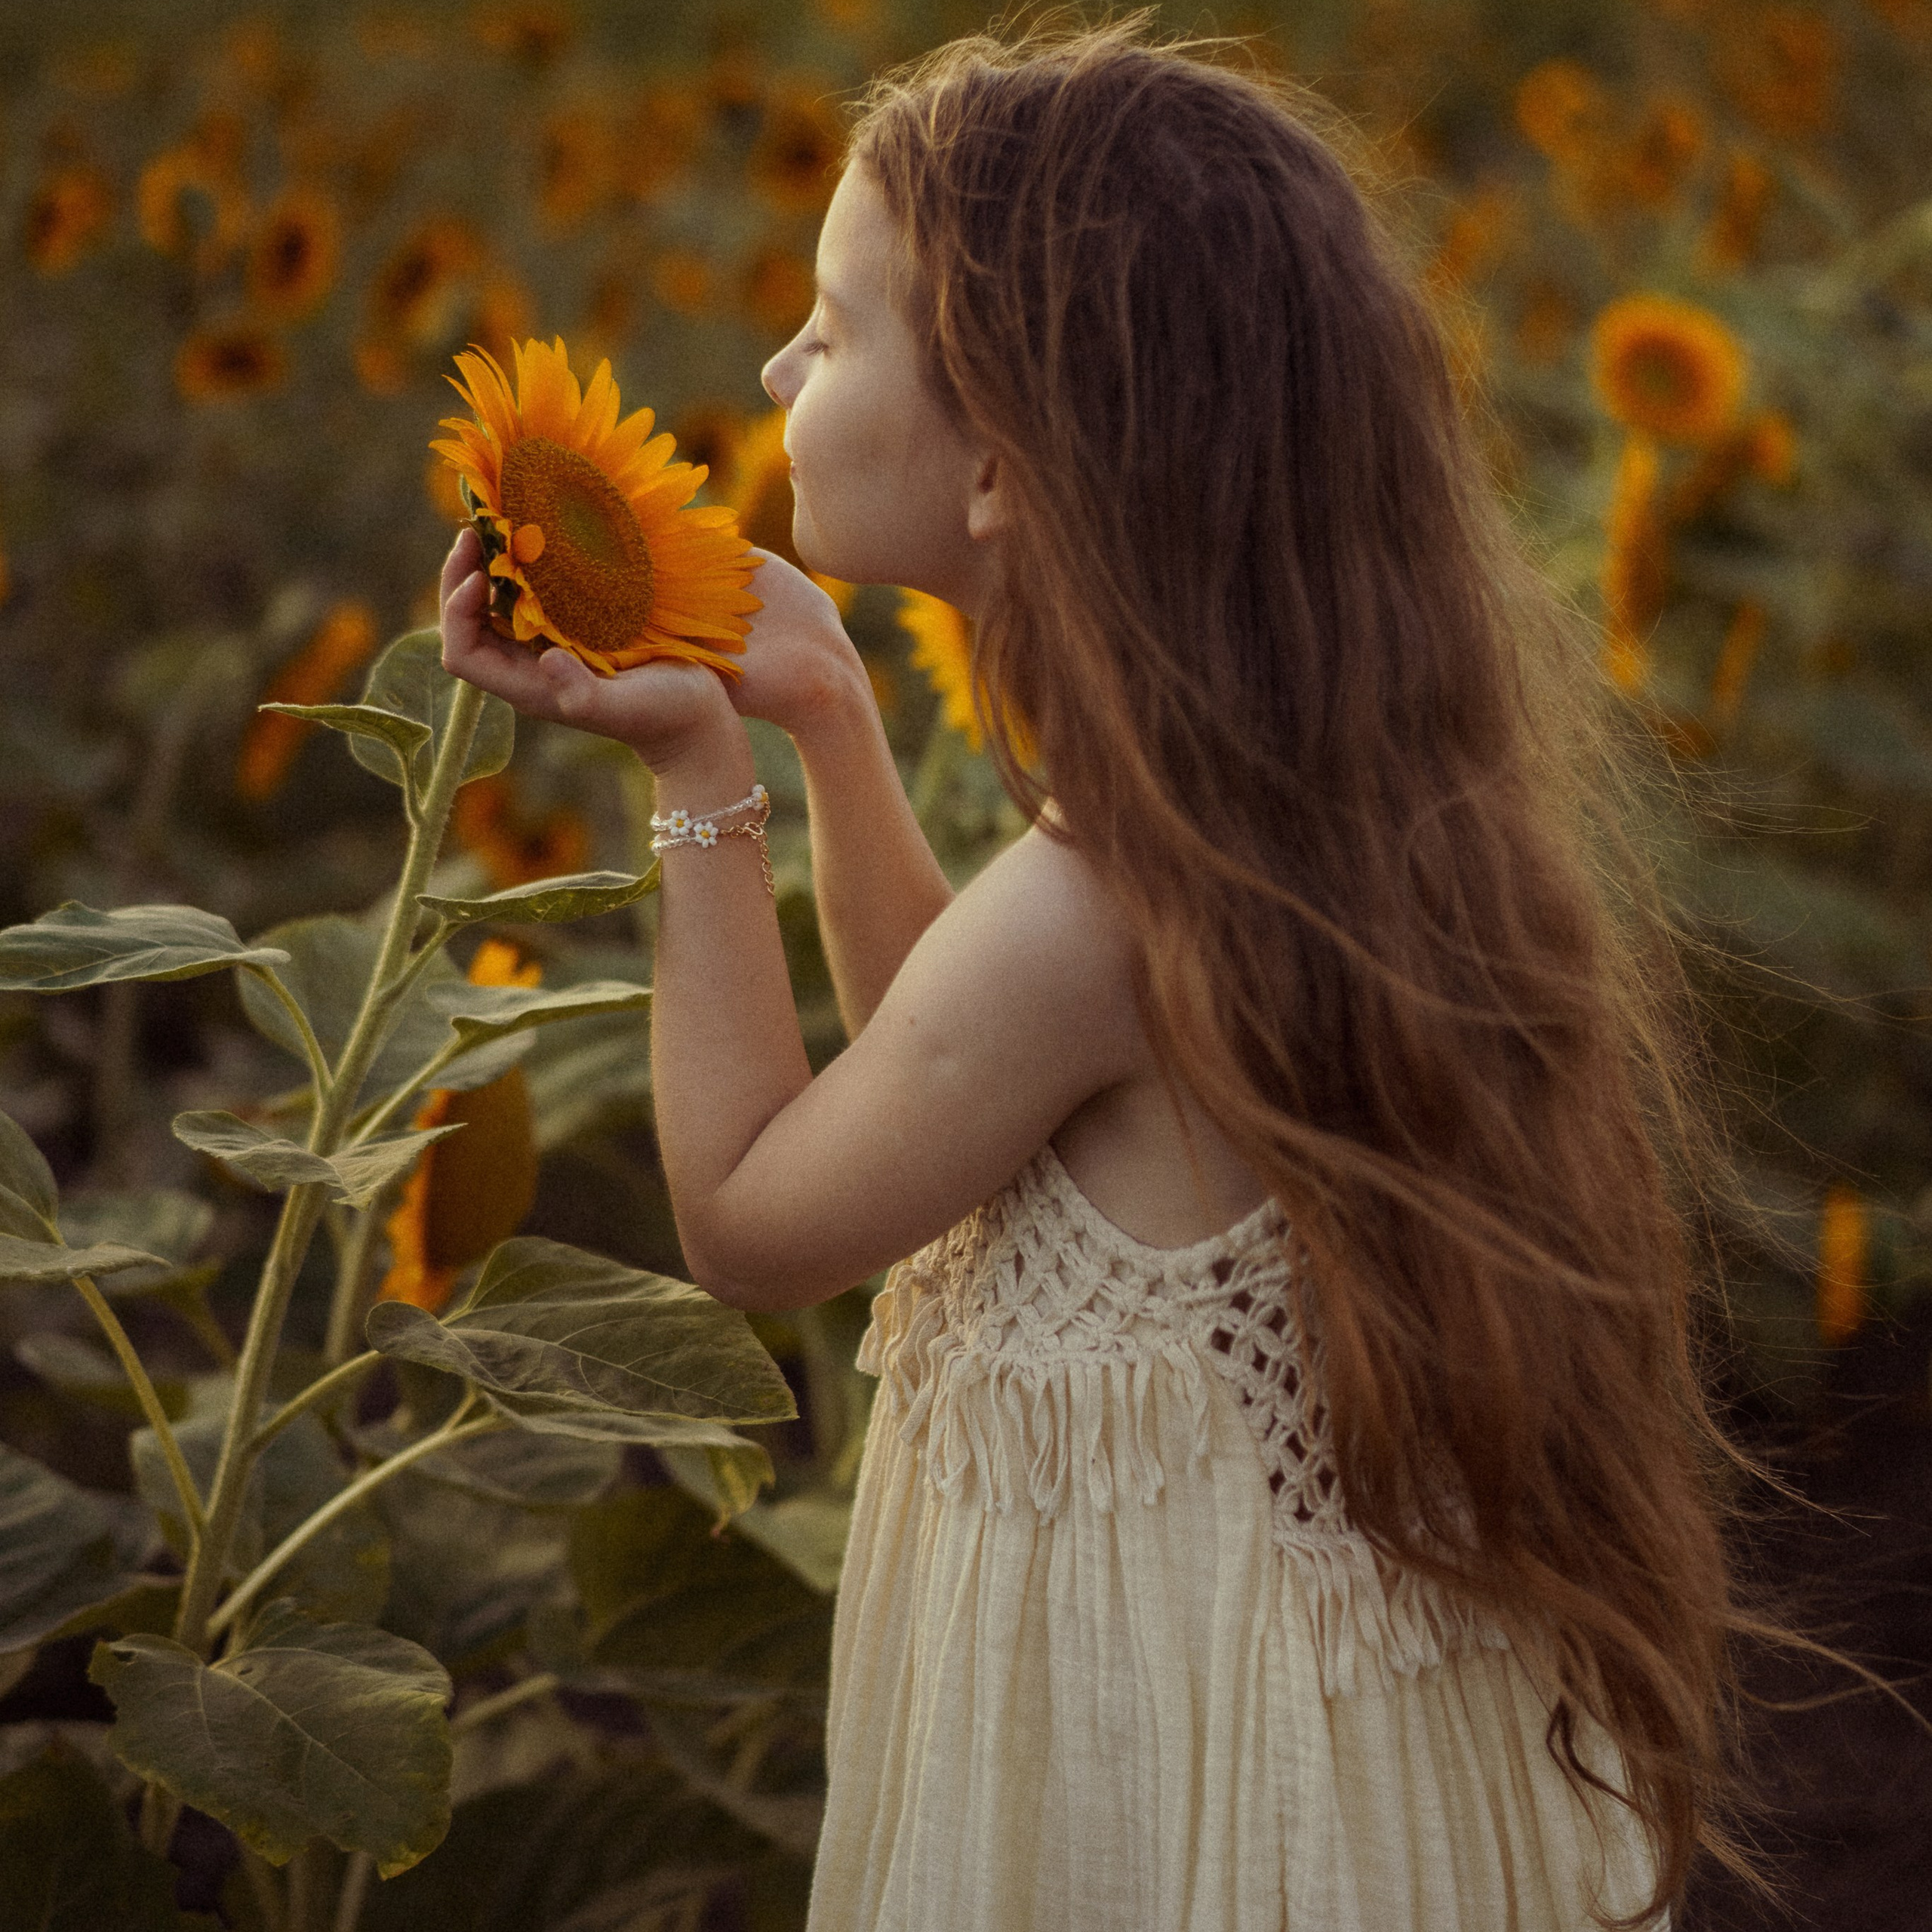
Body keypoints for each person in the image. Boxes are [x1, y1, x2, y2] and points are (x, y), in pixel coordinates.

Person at [440, 22, 1764, 1929]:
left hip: (1157, 1808)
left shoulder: (1088, 913)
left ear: (999, 460)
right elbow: (959, 1092)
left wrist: (693, 778)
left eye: (828, 326)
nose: (773, 369)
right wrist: (819, 707)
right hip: (1297, 1738)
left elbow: (748, 1214)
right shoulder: (1244, 832)